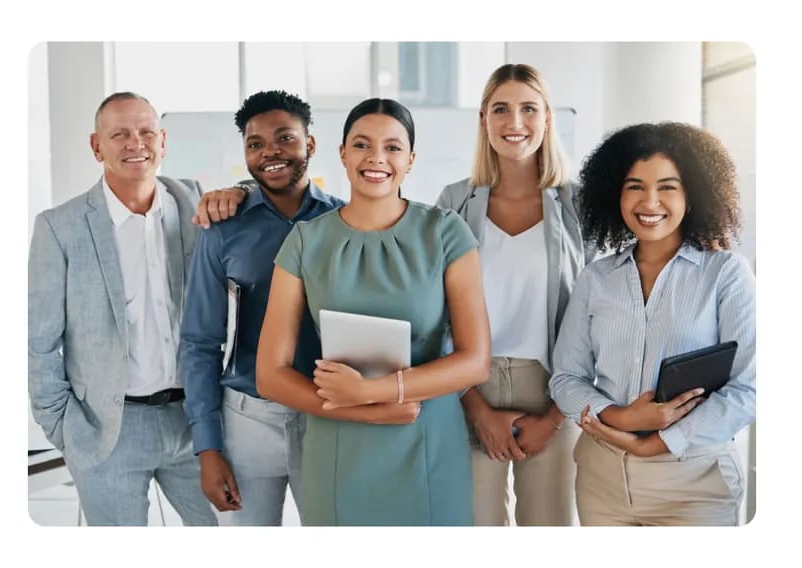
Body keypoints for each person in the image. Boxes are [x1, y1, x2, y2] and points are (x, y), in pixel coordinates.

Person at [256, 98, 492, 526]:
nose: (377, 158)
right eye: (362, 145)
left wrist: (375, 391)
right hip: (337, 443)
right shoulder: (305, 241)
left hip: (426, 438)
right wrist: (364, 407)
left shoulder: (445, 233)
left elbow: (476, 361)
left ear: (411, 159)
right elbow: (270, 374)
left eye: (393, 147)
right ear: (342, 153)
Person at [549, 122, 756, 526]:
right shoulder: (596, 277)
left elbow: (749, 388)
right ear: (616, 194)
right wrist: (622, 418)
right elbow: (565, 378)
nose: (650, 201)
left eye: (667, 186)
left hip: (695, 485)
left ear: (692, 195)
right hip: (602, 481)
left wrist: (658, 441)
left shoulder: (726, 273)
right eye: (634, 186)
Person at [28, 92, 217, 526]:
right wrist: (67, 430)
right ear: (97, 147)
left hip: (196, 424)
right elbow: (39, 343)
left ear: (163, 141)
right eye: (120, 135)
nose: (136, 143)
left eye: (146, 132)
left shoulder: (197, 204)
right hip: (109, 430)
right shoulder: (60, 228)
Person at [181, 90, 357, 526]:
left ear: (310, 145)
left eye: (284, 139)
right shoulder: (222, 230)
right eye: (255, 144)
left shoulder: (345, 223)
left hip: (327, 417)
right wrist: (208, 448)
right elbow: (200, 341)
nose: (270, 153)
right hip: (247, 420)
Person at [436, 63, 591, 526]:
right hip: (470, 386)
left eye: (529, 108)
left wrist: (556, 416)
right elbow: (435, 311)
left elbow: (595, 314)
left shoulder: (578, 205)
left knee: (549, 527)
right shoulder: (454, 202)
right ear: (484, 118)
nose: (515, 123)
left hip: (551, 388)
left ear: (547, 118)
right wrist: (476, 407)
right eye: (501, 109)